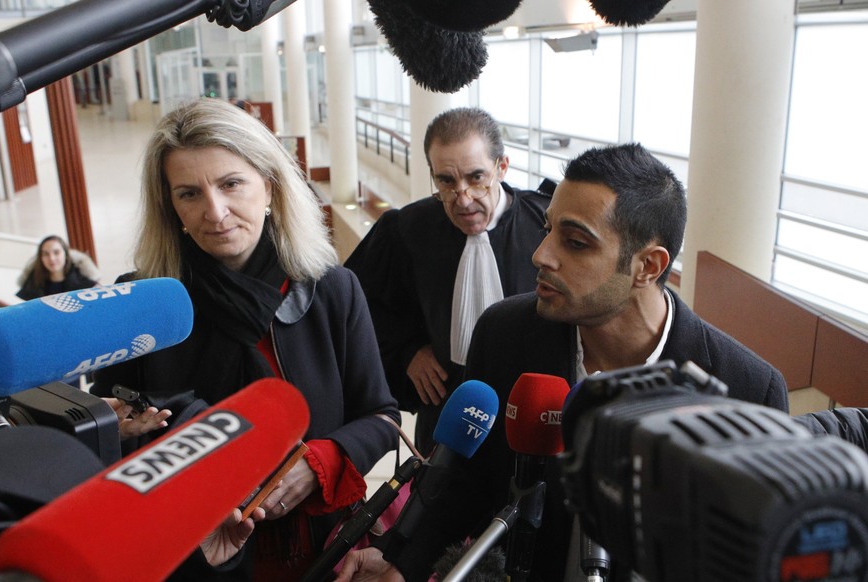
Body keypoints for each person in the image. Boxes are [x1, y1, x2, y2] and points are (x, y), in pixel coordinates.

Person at [334, 143, 790, 581]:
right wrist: (402, 562)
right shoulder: (504, 334)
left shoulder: (748, 390)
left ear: (648, 266)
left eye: (574, 242)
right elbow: (470, 482)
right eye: (548, 228)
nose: (541, 254)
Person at [89, 97, 400, 581]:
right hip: (197, 555)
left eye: (231, 183)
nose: (215, 212)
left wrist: (318, 463)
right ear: (171, 207)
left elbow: (381, 416)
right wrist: (121, 430)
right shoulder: (142, 305)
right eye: (189, 193)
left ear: (270, 189)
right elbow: (108, 424)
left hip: (322, 550)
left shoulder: (331, 289)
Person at [345, 107, 551, 455]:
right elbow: (359, 307)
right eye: (446, 181)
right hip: (445, 415)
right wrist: (407, 351)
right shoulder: (407, 230)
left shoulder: (546, 228)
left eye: (476, 177)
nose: (463, 197)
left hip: (531, 418)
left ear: (502, 167)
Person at [15, 235, 99, 300]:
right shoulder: (32, 287)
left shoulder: (87, 285)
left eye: (56, 252)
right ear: (41, 258)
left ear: (66, 254)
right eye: (46, 254)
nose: (51, 258)